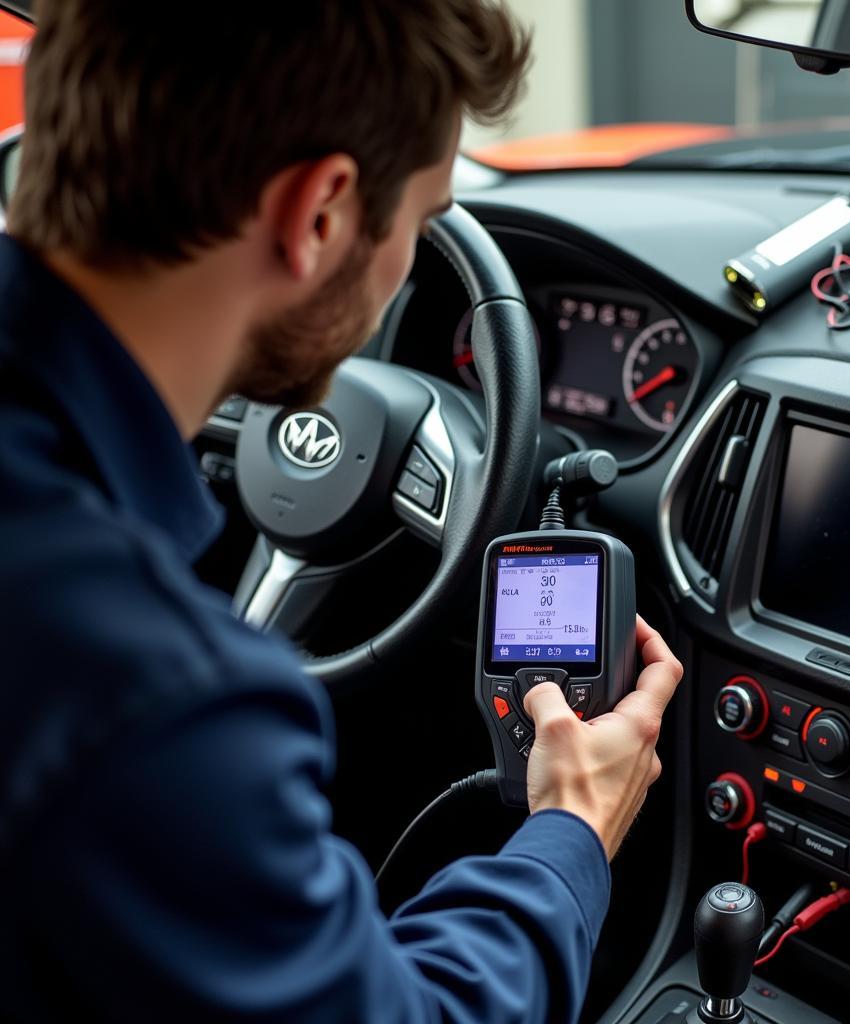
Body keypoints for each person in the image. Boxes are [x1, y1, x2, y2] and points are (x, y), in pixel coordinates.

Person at [0, 2, 684, 1022]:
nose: (409, 255)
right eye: (421, 218)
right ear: (319, 214)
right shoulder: (157, 695)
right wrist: (572, 825)